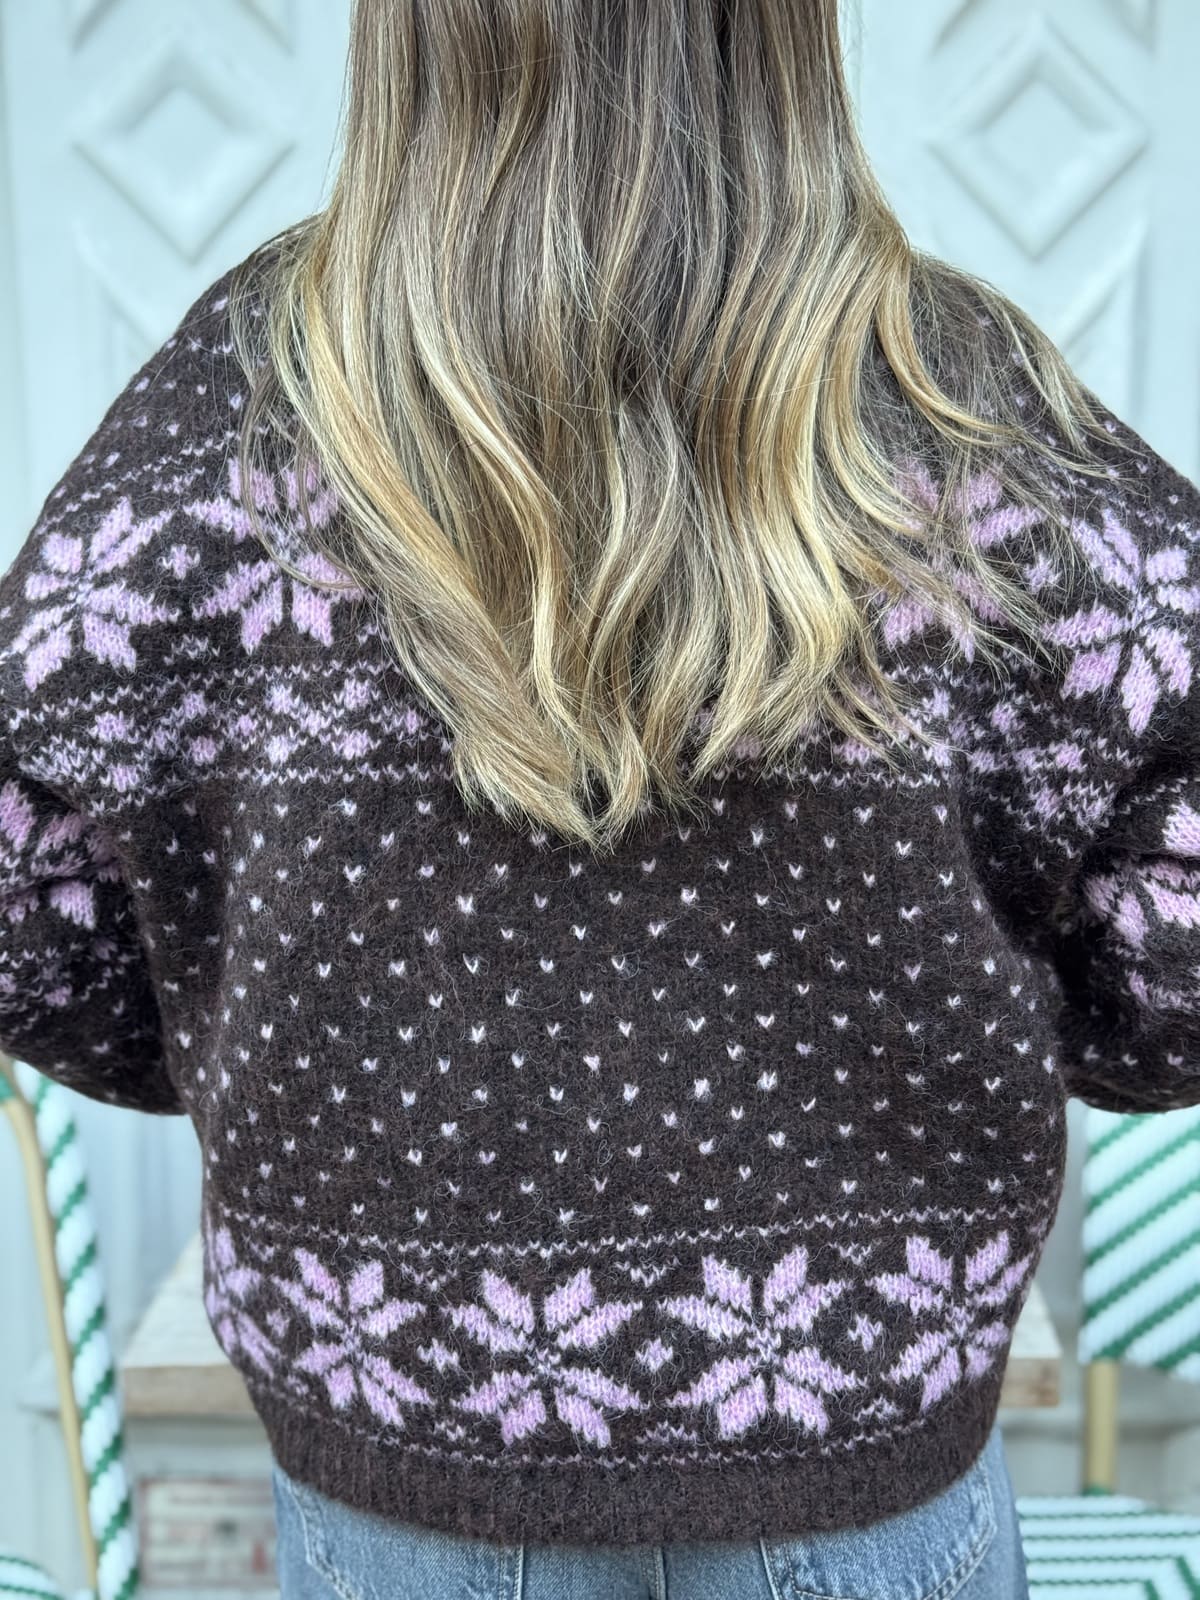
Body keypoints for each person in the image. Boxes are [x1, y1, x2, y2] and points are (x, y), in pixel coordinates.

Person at [2, 1, 1198, 1595]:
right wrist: (1059, 1022)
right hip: (865, 1465)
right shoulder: (965, 412)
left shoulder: (239, 412)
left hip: (405, 1478)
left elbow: (28, 900)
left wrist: (239, 1039)